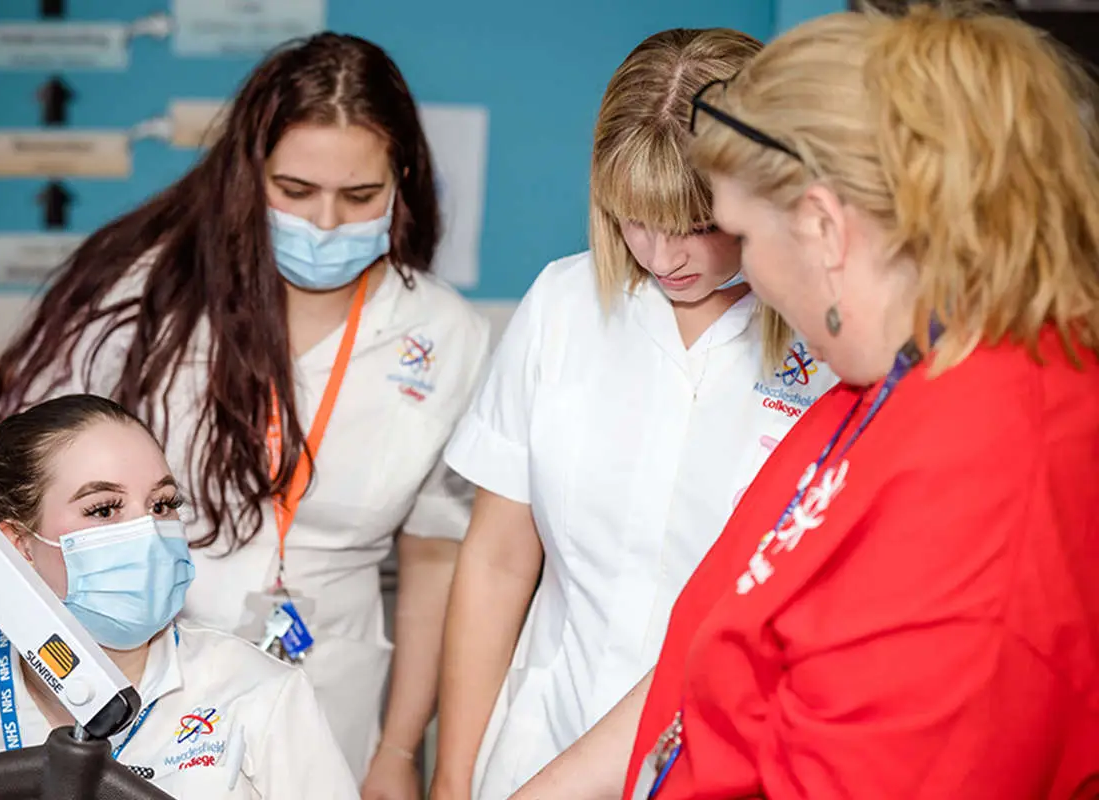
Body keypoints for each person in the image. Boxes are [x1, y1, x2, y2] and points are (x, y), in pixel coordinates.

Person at [0, 32, 490, 795]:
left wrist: (397, 752)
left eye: (359, 197)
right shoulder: (140, 296)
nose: (327, 223)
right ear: (246, 174)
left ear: (404, 181)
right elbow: (5, 482)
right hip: (125, 686)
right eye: (295, 191)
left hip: (328, 693)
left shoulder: (444, 334)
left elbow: (437, 557)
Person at [626, 6, 1099, 799]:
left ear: (823, 226)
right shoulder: (879, 390)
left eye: (741, 236)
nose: (750, 271)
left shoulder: (996, 466)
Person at [431, 29, 838, 800]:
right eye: (633, 217)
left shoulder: (832, 341)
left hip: (732, 761)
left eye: (697, 224)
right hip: (542, 746)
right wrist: (453, 777)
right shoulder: (563, 304)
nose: (661, 256)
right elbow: (496, 559)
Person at [0, 394, 358, 798]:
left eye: (162, 505)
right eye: (103, 509)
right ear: (20, 546)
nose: (149, 534)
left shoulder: (258, 695)